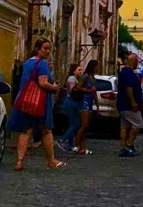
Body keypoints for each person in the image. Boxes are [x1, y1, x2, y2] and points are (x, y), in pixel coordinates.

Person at [10, 42, 62, 170]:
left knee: (25, 131)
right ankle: (51, 161)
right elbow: (43, 83)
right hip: (40, 102)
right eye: (45, 49)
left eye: (49, 49)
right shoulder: (42, 64)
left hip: (25, 100)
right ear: (37, 49)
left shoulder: (27, 63)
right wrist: (54, 87)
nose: (48, 51)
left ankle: (19, 161)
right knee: (46, 131)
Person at [116, 49, 143, 156]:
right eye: (136, 61)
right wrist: (133, 102)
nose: (137, 63)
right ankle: (129, 145)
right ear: (133, 62)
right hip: (129, 105)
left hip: (121, 104)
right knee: (137, 124)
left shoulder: (122, 72)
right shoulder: (129, 74)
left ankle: (122, 147)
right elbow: (129, 88)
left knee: (124, 126)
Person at [73, 56, 98, 155]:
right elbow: (78, 87)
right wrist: (88, 90)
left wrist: (97, 104)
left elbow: (95, 92)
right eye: (97, 66)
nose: (98, 68)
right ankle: (75, 144)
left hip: (90, 102)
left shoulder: (93, 78)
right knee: (84, 124)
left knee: (86, 126)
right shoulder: (85, 77)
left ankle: (83, 147)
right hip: (83, 101)